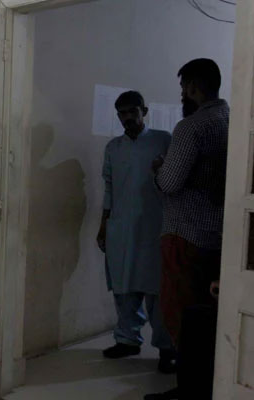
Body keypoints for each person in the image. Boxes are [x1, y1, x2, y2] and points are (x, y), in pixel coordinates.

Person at [145, 58, 229, 400]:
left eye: (183, 86)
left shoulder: (192, 127)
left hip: (185, 233)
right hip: (219, 234)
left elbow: (170, 182)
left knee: (181, 311)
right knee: (208, 315)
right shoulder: (230, 119)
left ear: (194, 86)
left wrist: (159, 169)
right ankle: (210, 384)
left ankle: (189, 388)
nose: (182, 92)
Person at [97, 91, 175, 372]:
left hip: (155, 228)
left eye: (132, 112)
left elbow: (175, 183)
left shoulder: (163, 140)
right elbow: (109, 188)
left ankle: (167, 349)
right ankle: (127, 339)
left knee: (156, 291)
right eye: (122, 114)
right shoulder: (113, 148)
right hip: (120, 227)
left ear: (144, 111)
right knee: (123, 288)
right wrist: (104, 225)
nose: (127, 118)